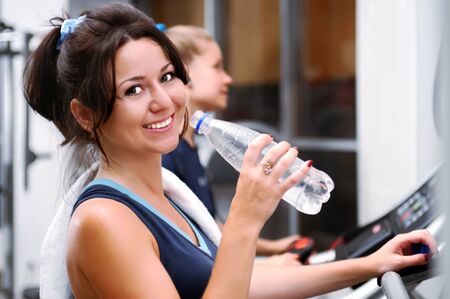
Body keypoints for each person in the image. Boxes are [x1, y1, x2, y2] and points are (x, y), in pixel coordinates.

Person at [23, 3, 437, 298]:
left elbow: (236, 283)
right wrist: (243, 222)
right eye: (133, 89)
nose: (164, 101)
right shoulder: (103, 221)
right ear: (86, 114)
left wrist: (373, 264)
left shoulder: (164, 194)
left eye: (168, 77)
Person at [162, 25, 300, 258]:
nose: (228, 78)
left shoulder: (189, 146)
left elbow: (209, 226)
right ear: (185, 73)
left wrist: (272, 248)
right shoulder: (168, 154)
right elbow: (190, 243)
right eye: (217, 67)